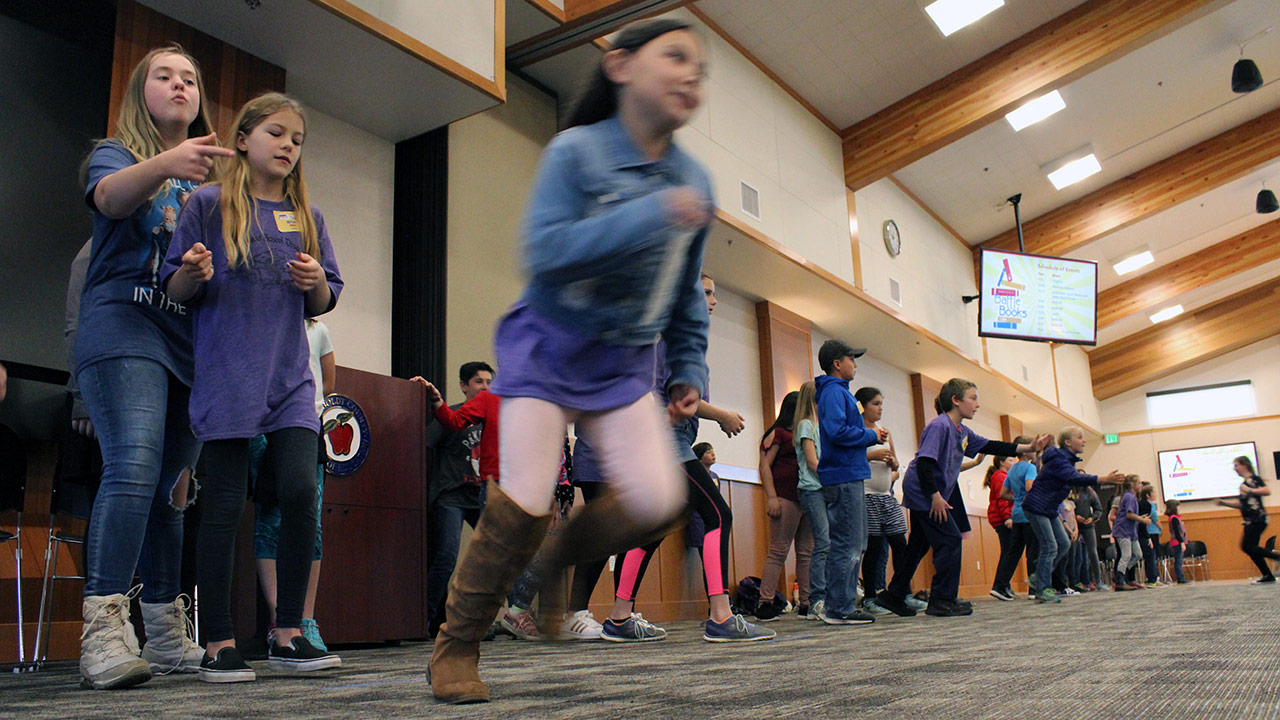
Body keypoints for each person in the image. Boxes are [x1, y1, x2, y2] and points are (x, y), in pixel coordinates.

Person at [426, 18, 720, 703]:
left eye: (699, 70)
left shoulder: (693, 179)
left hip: (622, 365)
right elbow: (545, 252)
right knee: (523, 503)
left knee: (658, 498)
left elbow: (686, 294)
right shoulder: (576, 152)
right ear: (619, 66)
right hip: (549, 348)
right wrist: (652, 215)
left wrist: (688, 372)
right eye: (674, 57)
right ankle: (457, 647)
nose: (689, 75)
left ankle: (554, 565)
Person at [164, 92, 343, 681]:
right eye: (276, 133)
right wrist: (191, 272)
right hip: (227, 376)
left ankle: (288, 631)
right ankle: (217, 638)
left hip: (291, 381)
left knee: (298, 493)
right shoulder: (207, 204)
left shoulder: (308, 217)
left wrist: (316, 280)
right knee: (222, 506)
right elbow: (176, 289)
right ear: (242, 139)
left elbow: (324, 300)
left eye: (297, 139)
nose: (289, 145)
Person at [75, 45, 233, 690]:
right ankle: (102, 633)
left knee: (172, 492)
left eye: (190, 78)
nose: (179, 85)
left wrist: (200, 273)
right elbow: (111, 200)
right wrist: (168, 164)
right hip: (123, 327)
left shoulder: (213, 185)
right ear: (142, 90)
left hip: (186, 344)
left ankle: (165, 633)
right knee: (134, 467)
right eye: (164, 75)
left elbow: (220, 273)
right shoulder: (114, 152)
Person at [601, 272, 771, 643]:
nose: (713, 300)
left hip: (661, 440)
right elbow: (682, 401)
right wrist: (723, 415)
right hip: (668, 442)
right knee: (718, 514)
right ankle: (722, 616)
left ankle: (618, 618)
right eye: (706, 293)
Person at [876, 380, 1049, 617]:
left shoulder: (961, 431)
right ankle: (942, 600)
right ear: (956, 400)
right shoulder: (939, 426)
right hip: (924, 493)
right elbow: (925, 464)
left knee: (918, 545)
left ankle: (893, 595)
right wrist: (935, 497)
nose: (977, 404)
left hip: (929, 493)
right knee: (950, 539)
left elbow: (991, 444)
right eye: (973, 398)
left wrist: (1028, 446)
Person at [253, 318, 336, 651]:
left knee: (309, 521)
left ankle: (304, 620)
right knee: (269, 519)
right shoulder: (259, 319)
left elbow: (327, 382)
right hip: (259, 423)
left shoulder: (318, 329)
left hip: (305, 425)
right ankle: (278, 620)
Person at [813, 340, 888, 625]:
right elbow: (837, 432)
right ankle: (839, 608)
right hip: (844, 474)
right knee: (848, 543)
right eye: (851, 359)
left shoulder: (837, 393)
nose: (855, 364)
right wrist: (871, 437)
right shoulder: (834, 392)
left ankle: (840, 605)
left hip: (848, 473)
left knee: (853, 542)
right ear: (837, 363)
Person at [421, 362, 493, 638]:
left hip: (480, 495)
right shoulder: (450, 415)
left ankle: (491, 618)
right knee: (446, 557)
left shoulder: (491, 417)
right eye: (478, 381)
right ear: (464, 385)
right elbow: (424, 447)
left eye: (489, 382)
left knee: (497, 555)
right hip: (451, 495)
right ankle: (425, 620)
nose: (485, 387)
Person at [1023, 426, 1123, 604]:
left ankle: (1039, 577)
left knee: (1063, 543)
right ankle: (1042, 588)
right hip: (1037, 506)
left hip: (1049, 508)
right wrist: (1102, 479)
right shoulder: (1060, 460)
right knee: (1050, 546)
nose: (1084, 441)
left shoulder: (1062, 458)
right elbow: (1073, 478)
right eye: (1080, 437)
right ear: (1068, 442)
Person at [754, 392, 813, 622]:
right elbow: (765, 465)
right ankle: (764, 601)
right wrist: (771, 497)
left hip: (806, 495)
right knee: (778, 551)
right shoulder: (779, 433)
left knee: (806, 552)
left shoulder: (803, 433)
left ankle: (806, 601)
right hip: (785, 496)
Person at [856, 387, 908, 617]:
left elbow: (894, 460)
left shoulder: (884, 432)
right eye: (875, 404)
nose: (880, 408)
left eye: (881, 404)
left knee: (900, 543)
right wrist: (872, 455)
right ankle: (869, 597)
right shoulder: (856, 430)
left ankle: (900, 593)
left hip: (887, 495)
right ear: (863, 406)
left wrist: (893, 463)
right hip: (866, 494)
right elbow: (847, 456)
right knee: (874, 548)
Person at [792, 380, 828, 620]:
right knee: (822, 542)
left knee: (830, 542)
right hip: (812, 489)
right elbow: (812, 462)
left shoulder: (823, 425)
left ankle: (828, 595)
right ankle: (817, 598)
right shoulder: (806, 425)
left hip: (825, 488)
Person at [1217, 456, 1280, 584]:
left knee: (1247, 546)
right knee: (1250, 548)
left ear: (1244, 465)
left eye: (1236, 465)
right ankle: (1267, 575)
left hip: (1257, 519)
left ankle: (1276, 558)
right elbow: (1242, 504)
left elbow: (1267, 491)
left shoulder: (1253, 480)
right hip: (1250, 520)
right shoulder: (1244, 485)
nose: (1235, 469)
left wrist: (1250, 490)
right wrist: (1224, 503)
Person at [984, 454, 1015, 600]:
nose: (1014, 461)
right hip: (1002, 518)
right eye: (1010, 459)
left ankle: (1004, 585)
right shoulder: (1000, 476)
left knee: (1008, 552)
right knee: (1009, 552)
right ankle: (1000, 586)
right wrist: (1007, 517)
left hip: (1002, 517)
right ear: (1002, 462)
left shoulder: (1003, 475)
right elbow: (1002, 499)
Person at [1073, 485, 1103, 590]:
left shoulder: (1089, 492)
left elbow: (1098, 509)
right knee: (1076, 555)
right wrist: (1075, 517)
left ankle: (1098, 581)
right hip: (1074, 526)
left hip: (1088, 526)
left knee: (1093, 553)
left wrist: (1092, 518)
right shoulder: (1070, 490)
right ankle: (1075, 582)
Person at [1137, 484, 1162, 586]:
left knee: (1151, 555)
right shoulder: (1146, 505)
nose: (1156, 494)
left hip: (1144, 533)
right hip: (1144, 533)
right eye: (1154, 492)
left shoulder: (1144, 504)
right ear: (1148, 495)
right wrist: (1148, 537)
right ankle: (1152, 579)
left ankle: (1154, 578)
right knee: (1150, 555)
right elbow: (1143, 523)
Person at [1165, 499, 1189, 584]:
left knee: (1179, 561)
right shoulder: (1174, 519)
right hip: (1177, 542)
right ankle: (1180, 578)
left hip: (1177, 542)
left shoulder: (1175, 518)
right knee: (1178, 561)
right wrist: (1181, 542)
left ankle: (1181, 577)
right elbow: (1177, 532)